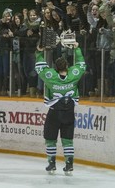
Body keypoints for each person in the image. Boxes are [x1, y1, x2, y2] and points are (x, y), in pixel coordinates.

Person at [35, 41, 86, 175]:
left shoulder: (50, 76)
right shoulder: (73, 74)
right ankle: (69, 164)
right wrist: (77, 48)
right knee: (67, 139)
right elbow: (81, 64)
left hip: (54, 113)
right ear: (67, 66)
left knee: (50, 138)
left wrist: (39, 51)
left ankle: (51, 163)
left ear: (55, 68)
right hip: (69, 112)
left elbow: (40, 66)